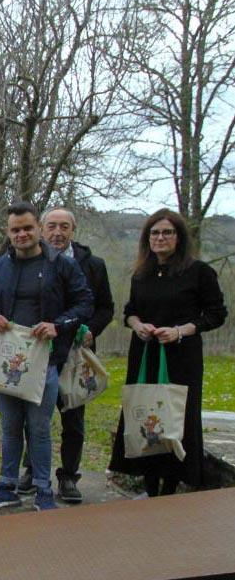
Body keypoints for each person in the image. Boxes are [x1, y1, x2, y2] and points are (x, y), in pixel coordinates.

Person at [0, 201, 93, 512]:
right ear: (8, 232)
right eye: (16, 230)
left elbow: (84, 304)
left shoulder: (62, 266)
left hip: (46, 362)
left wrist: (58, 325)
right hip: (6, 360)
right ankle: (6, 486)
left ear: (38, 228)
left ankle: (43, 489)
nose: (22, 234)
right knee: (10, 428)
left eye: (28, 228)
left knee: (39, 428)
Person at [109, 209, 227, 495]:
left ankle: (170, 490)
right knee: (144, 416)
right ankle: (150, 488)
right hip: (145, 355)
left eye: (167, 232)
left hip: (181, 358)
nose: (160, 238)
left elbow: (216, 314)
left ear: (179, 237)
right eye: (154, 233)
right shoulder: (141, 275)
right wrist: (137, 325)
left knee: (176, 420)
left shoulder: (198, 272)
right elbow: (129, 312)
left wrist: (180, 331)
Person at [15, 207, 114, 503]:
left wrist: (92, 329)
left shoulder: (93, 265)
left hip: (75, 354)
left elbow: (105, 307)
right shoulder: (28, 261)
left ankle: (68, 476)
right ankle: (32, 470)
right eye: (52, 226)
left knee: (73, 419)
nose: (57, 232)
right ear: (42, 228)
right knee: (34, 417)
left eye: (64, 227)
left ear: (73, 230)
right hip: (38, 353)